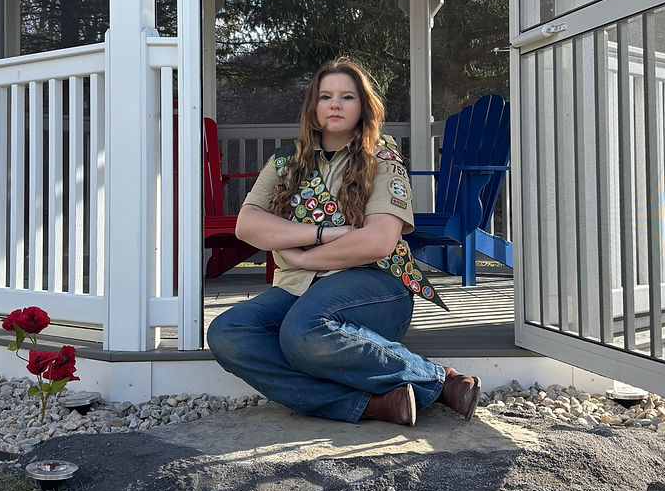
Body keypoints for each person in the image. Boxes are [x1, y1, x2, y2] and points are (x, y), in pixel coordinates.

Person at [206, 56, 481, 426]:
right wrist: (323, 233)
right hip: (297, 290)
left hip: (374, 289)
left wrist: (302, 257)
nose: (334, 104)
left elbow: (380, 240)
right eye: (325, 96)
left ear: (362, 107)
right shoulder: (285, 161)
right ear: (313, 106)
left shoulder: (381, 157)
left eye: (346, 97)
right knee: (227, 332)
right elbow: (248, 225)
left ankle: (433, 377)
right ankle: (370, 404)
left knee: (302, 332)